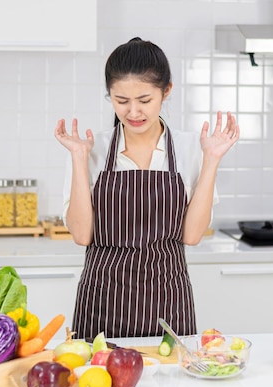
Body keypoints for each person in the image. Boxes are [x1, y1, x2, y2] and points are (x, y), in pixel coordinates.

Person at [54, 37, 240, 339]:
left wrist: (212, 160)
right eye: (121, 101)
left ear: (166, 91)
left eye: (144, 100)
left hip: (168, 304)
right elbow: (81, 235)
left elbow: (191, 236)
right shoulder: (90, 149)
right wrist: (78, 158)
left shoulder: (191, 147)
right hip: (103, 304)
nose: (133, 113)